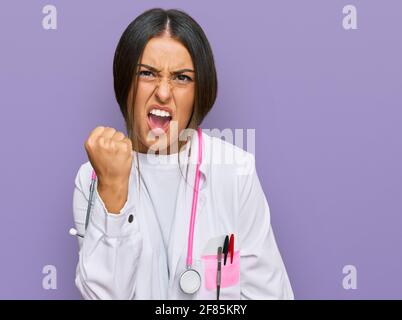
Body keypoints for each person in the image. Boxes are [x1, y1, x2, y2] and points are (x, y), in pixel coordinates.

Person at [72, 7, 294, 300]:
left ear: (200, 91)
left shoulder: (235, 170)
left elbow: (271, 296)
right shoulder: (91, 177)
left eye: (182, 78)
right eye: (147, 73)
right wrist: (112, 190)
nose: (163, 92)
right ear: (125, 82)